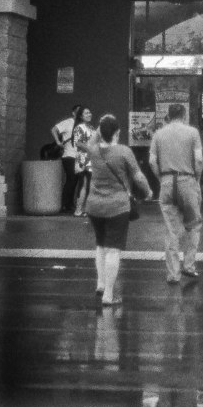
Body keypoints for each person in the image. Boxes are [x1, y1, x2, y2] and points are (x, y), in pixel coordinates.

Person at [84, 114, 151, 306]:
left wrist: (101, 126)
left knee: (100, 245)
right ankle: (108, 295)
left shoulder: (93, 150)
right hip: (117, 207)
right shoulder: (123, 152)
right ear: (118, 132)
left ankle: (101, 283)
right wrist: (148, 191)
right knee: (113, 249)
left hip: (94, 206)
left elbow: (91, 141)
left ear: (100, 132)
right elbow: (138, 177)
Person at [149, 103, 203, 284]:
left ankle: (173, 274)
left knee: (171, 230)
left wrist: (161, 179)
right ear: (184, 115)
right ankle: (189, 266)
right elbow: (198, 160)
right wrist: (196, 179)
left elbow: (152, 162)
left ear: (169, 115)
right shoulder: (192, 133)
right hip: (187, 180)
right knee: (193, 225)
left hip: (166, 181)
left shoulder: (158, 134)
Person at [51, 105, 81, 213]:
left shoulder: (83, 125)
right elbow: (54, 129)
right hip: (68, 155)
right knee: (71, 179)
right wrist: (58, 142)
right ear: (73, 113)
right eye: (78, 111)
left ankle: (70, 204)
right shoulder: (68, 122)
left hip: (78, 156)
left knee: (75, 180)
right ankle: (64, 204)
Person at [72, 107, 96, 216]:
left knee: (90, 185)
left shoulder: (91, 127)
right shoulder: (79, 127)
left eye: (90, 112)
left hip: (92, 160)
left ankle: (86, 209)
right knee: (84, 184)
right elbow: (78, 143)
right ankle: (78, 210)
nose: (89, 114)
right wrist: (91, 149)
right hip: (83, 160)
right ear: (81, 116)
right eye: (86, 113)